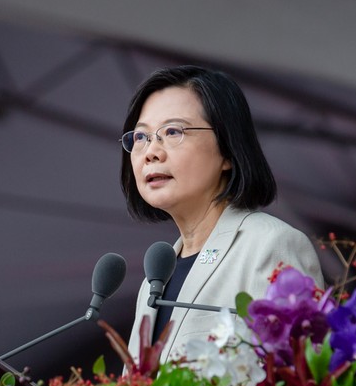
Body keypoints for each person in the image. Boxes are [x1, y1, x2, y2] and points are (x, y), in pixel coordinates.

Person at [120, 65, 326, 362]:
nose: (151, 151)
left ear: (227, 150)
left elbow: (298, 381)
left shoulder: (268, 245)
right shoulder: (155, 281)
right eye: (141, 137)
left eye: (173, 131)